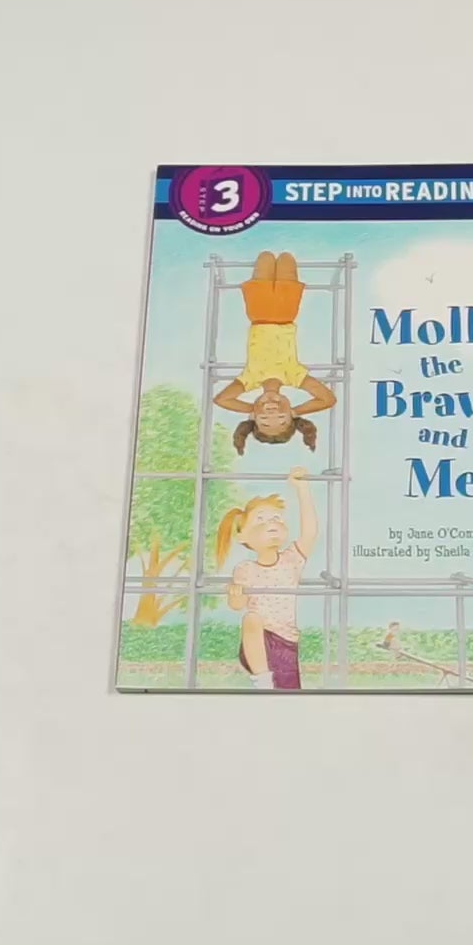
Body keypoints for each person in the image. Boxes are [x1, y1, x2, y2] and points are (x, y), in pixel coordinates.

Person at [213, 251, 337, 453]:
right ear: (291, 416)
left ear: (254, 417)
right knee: (287, 259)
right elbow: (328, 399)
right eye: (281, 417)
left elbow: (221, 399)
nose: (272, 411)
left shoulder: (250, 379)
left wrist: (250, 410)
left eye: (264, 418)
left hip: (258, 312)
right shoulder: (293, 376)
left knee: (266, 258)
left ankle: (266, 420)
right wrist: (296, 411)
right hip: (286, 311)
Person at [216, 467, 316, 689]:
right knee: (251, 618)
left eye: (276, 519)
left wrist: (302, 489)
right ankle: (261, 678)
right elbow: (237, 605)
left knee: (288, 692)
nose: (272, 525)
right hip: (259, 642)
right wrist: (235, 594)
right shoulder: (246, 569)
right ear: (242, 536)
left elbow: (309, 533)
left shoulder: (291, 560)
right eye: (260, 520)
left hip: (286, 641)